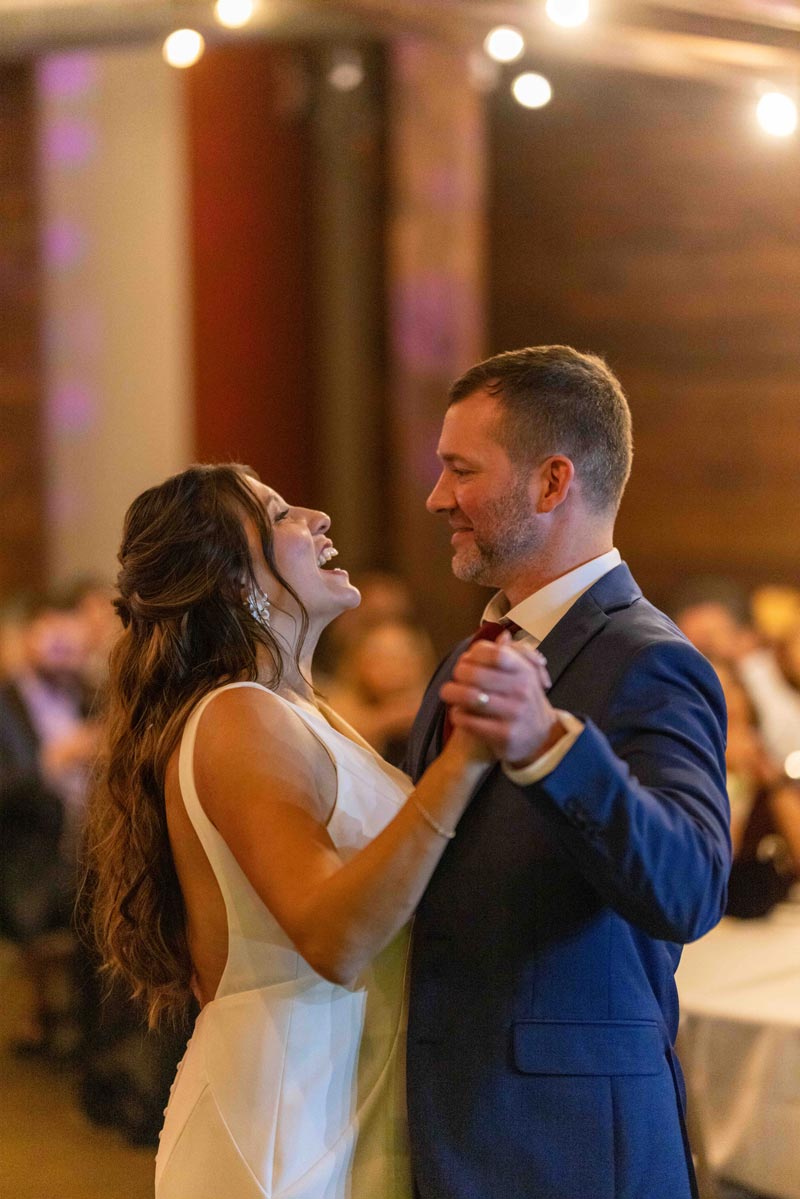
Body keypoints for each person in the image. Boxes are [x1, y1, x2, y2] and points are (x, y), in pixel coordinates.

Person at [81, 463, 533, 1199]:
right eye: (280, 512)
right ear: (229, 578)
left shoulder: (302, 710)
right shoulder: (237, 715)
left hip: (342, 1100)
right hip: (288, 1130)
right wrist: (467, 756)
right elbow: (335, 937)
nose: (319, 515)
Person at [404, 345, 731, 1199]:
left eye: (460, 470)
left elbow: (692, 886)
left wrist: (554, 746)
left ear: (552, 483)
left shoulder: (651, 660)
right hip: (454, 1129)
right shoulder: (465, 656)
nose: (437, 496)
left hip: (572, 1153)